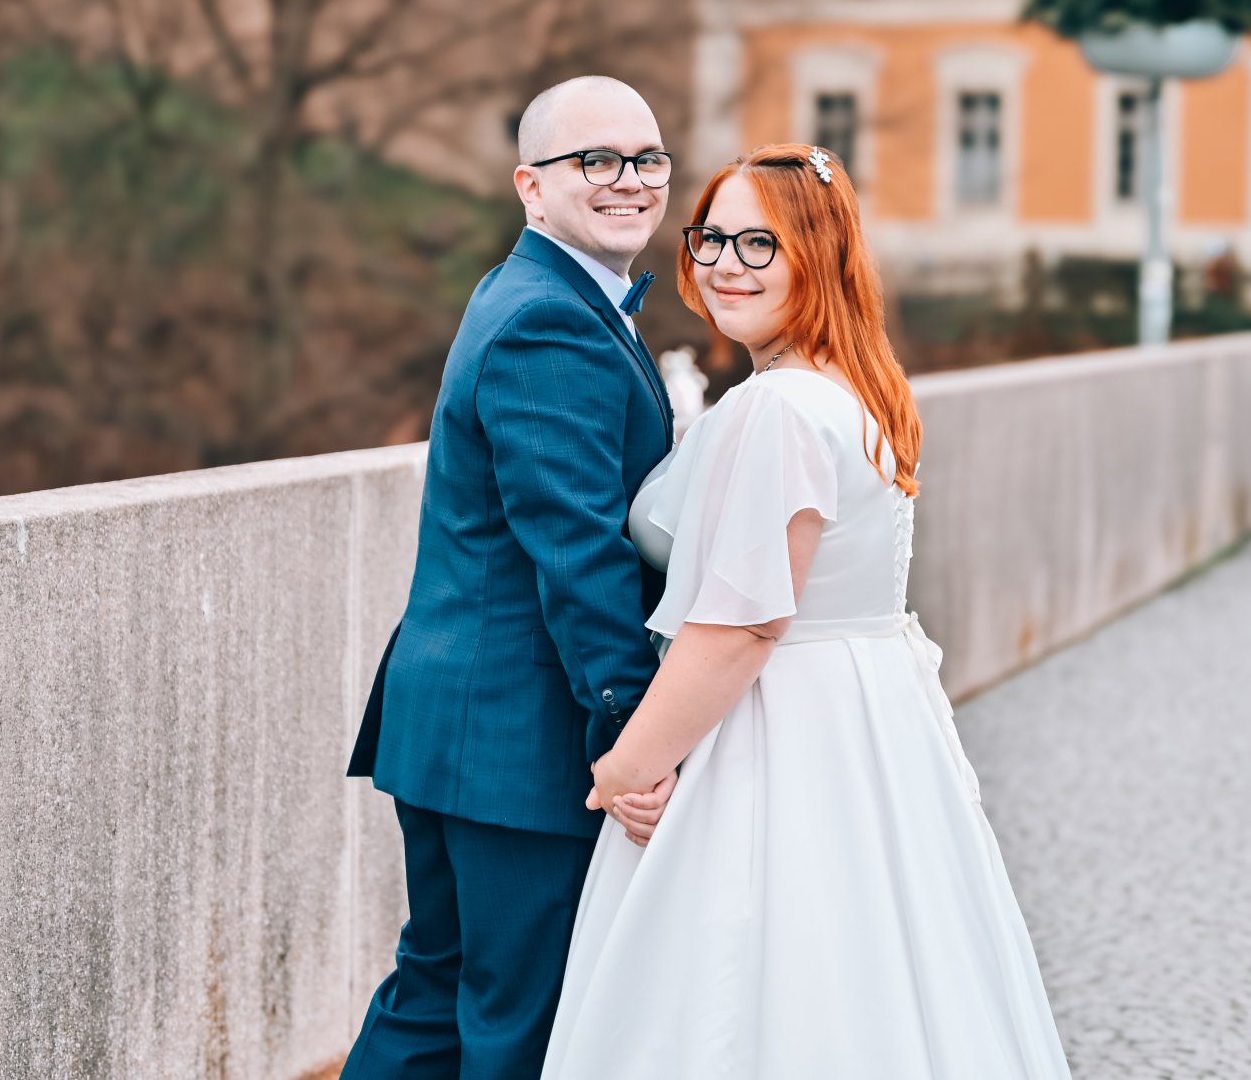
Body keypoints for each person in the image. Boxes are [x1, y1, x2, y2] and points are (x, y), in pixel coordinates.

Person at [542, 143, 1073, 1079]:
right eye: (712, 238)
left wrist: (628, 766)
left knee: (743, 988)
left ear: (818, 255)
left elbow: (745, 626)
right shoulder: (857, 387)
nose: (726, 264)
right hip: (865, 727)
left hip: (774, 730)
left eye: (761, 244)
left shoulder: (780, 408)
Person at [342, 76, 681, 1079]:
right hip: (516, 740)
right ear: (531, 186)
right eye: (596, 160)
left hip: (457, 717)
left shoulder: (528, 289)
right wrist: (634, 736)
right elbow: (576, 552)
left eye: (647, 159)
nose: (628, 180)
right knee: (514, 1023)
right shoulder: (551, 321)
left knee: (437, 993)